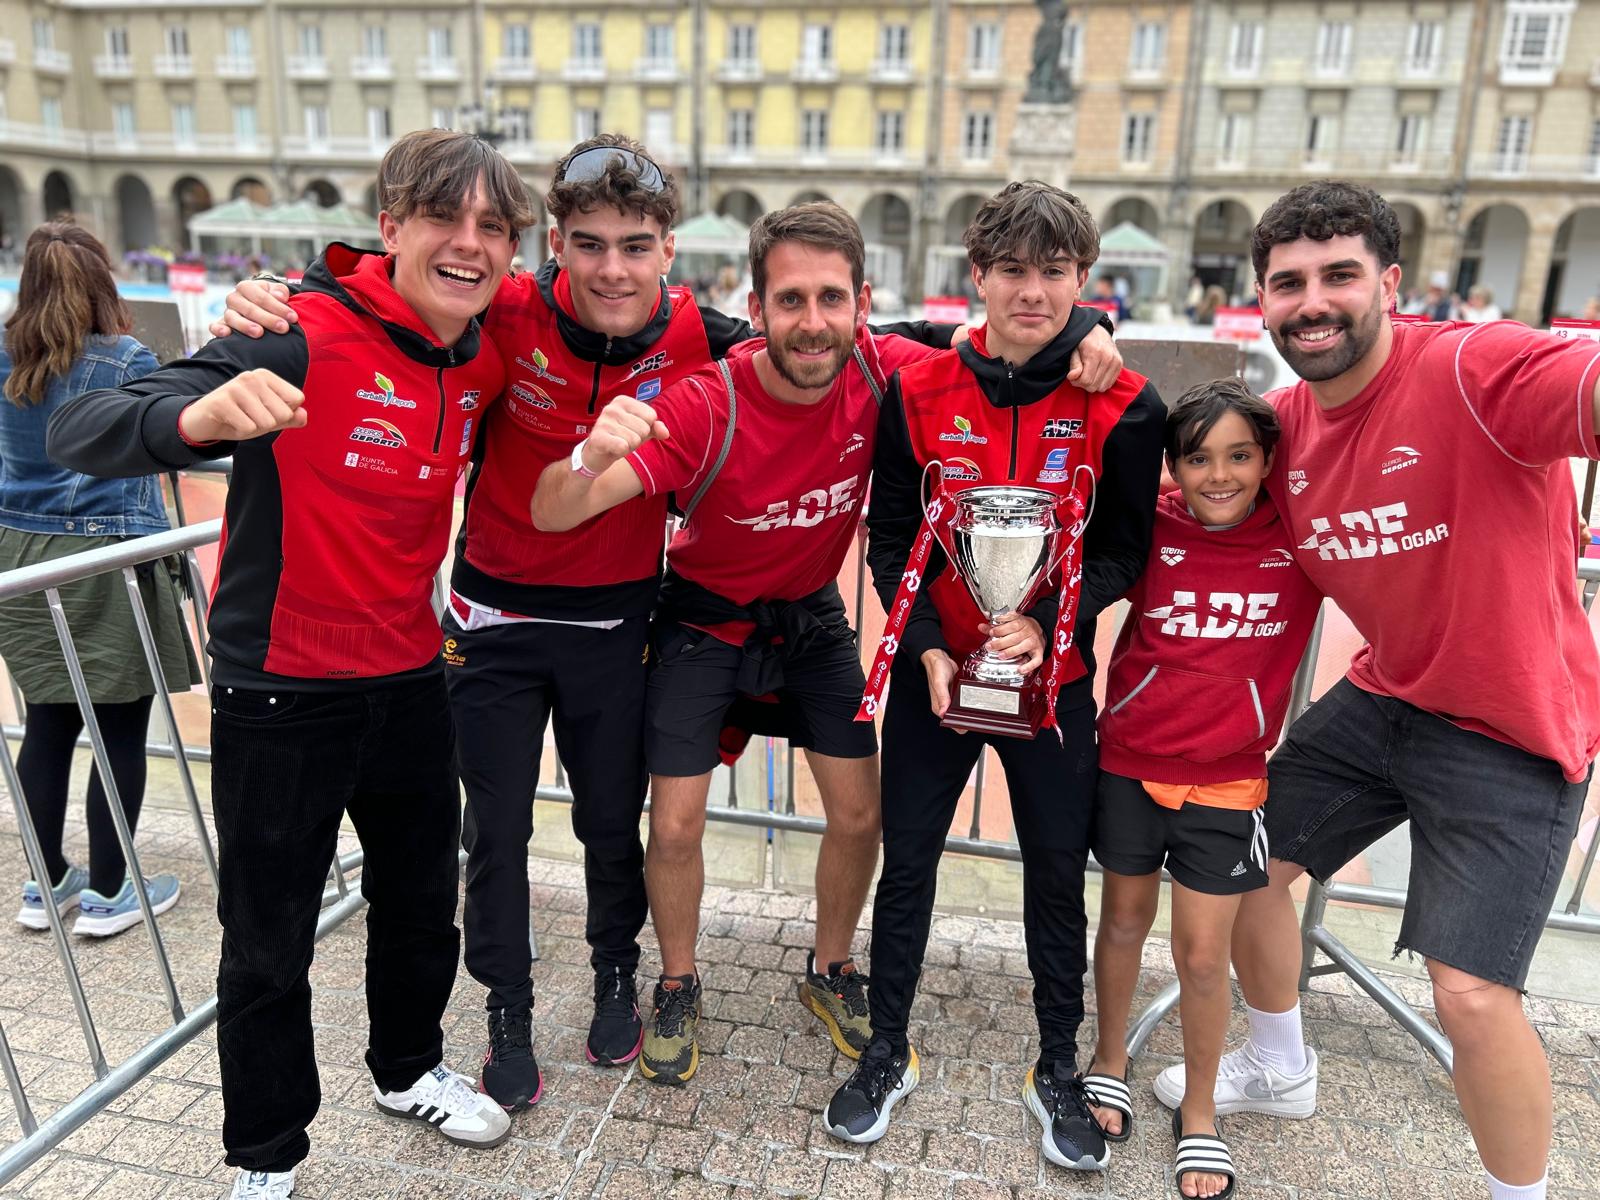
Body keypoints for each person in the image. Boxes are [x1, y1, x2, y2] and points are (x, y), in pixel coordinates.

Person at [209, 136, 1019, 1109]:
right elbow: (400, 289)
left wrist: (1084, 328)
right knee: (561, 832)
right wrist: (284, 286)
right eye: (587, 244)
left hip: (716, 621)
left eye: (635, 245)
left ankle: (734, 974)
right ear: (554, 246)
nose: (611, 267)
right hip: (581, 619)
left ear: (669, 254)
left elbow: (943, 341)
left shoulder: (782, 351)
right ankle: (587, 999)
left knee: (749, 819)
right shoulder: (549, 327)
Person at [531, 200, 1125, 1085]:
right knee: (681, 820)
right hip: (704, 621)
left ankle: (830, 965)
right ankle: (680, 980)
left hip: (811, 619)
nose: (813, 324)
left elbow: (1010, 335)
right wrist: (588, 454)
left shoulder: (883, 367)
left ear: (863, 303)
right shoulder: (704, 403)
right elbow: (551, 512)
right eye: (791, 301)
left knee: (858, 811)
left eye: (832, 300)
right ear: (758, 306)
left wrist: (1092, 331)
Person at [48, 129, 531, 1200]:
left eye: (493, 227)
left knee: (419, 912)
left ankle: (407, 1071)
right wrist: (197, 415)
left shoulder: (483, 347)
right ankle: (266, 1153)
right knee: (267, 945)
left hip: (412, 681)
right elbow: (83, 423)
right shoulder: (294, 333)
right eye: (444, 219)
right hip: (281, 693)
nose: (469, 244)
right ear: (390, 228)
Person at [1153, 180, 1599, 1200]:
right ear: (1261, 299)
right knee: (1244, 871)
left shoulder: (1474, 370)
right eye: (1288, 282)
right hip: (1386, 697)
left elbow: (1577, 379)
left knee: (1471, 997)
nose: (1313, 301)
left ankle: (1518, 1195)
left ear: (1390, 284)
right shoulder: (1282, 430)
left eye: (1339, 276)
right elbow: (1174, 477)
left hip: (1514, 726)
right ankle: (1280, 1067)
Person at [825, 181, 1165, 1172]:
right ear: (976, 277)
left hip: (1050, 685)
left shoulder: (1121, 401)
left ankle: (1055, 1063)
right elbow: (894, 539)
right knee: (912, 863)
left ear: (1081, 279)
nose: (1033, 292)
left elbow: (1125, 553)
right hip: (935, 679)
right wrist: (928, 643)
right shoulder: (918, 389)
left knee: (1057, 874)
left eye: (1055, 273)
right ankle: (887, 1045)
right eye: (1012, 271)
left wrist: (1052, 616)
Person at [1084, 378, 1321, 1200]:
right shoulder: (1151, 526)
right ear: (1174, 469)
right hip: (1129, 760)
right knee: (1121, 922)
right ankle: (1109, 1060)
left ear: (1268, 461)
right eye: (1198, 459)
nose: (1218, 476)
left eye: (1239, 457)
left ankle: (1203, 1114)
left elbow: (1395, 545)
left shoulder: (1301, 537)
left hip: (1228, 781)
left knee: (1201, 954)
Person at [0, 221, 199, 938]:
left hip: (19, 555)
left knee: (48, 719)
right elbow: (162, 440)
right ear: (101, 282)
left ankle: (46, 881)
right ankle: (112, 891)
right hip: (105, 559)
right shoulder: (124, 358)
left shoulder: (4, 351)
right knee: (119, 726)